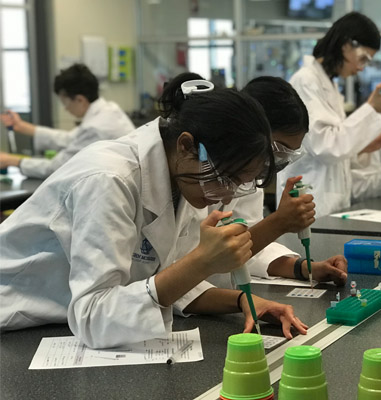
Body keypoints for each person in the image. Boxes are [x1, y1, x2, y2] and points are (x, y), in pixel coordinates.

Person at [0, 75, 307, 348]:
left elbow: (164, 279)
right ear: (186, 145)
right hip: (13, 320)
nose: (226, 194)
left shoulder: (185, 176)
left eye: (239, 184)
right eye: (225, 179)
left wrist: (241, 300)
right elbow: (94, 316)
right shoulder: (110, 180)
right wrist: (202, 262)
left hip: (50, 323)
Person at [214, 76, 347, 285]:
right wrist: (279, 222)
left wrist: (304, 267)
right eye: (279, 150)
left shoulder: (250, 180)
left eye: (288, 156)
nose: (279, 163)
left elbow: (251, 250)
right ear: (250, 130)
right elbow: (209, 259)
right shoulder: (204, 176)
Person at [277, 12, 381, 216]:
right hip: (311, 199)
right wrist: (372, 108)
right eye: (362, 58)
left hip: (329, 202)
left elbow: (334, 144)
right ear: (346, 45)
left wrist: (362, 147)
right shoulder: (305, 81)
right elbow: (325, 147)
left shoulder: (328, 84)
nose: (361, 68)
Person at [0, 64, 134, 178]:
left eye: (65, 102)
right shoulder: (108, 109)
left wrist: (11, 160)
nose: (65, 108)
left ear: (80, 100)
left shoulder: (96, 128)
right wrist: (22, 126)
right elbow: (70, 139)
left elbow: (56, 168)